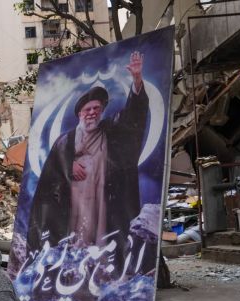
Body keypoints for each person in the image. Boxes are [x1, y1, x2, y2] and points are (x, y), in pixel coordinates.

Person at [26, 51, 149, 254]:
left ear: (101, 111)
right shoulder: (64, 142)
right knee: (74, 244)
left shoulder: (111, 131)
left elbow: (132, 118)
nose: (92, 112)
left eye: (96, 108)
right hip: (73, 204)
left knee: (100, 244)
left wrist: (136, 80)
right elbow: (49, 178)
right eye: (87, 109)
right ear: (79, 114)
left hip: (103, 201)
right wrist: (69, 165)